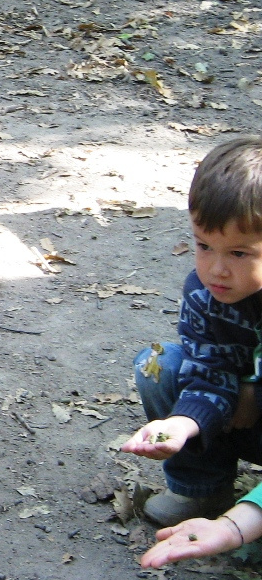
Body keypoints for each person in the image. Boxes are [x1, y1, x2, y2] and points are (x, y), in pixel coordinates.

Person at [122, 137, 262, 538]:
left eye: (238, 254)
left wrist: (254, 392)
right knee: (159, 362)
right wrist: (183, 423)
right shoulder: (205, 296)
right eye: (204, 246)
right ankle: (202, 488)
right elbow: (208, 369)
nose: (216, 269)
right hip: (232, 418)